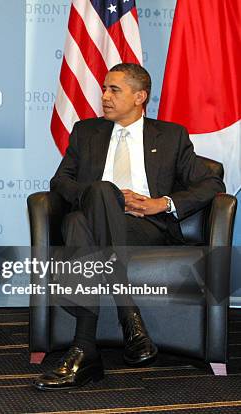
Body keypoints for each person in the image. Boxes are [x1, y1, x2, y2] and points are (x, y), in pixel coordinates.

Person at [33, 63, 225, 391]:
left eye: (113, 90)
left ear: (140, 97)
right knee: (92, 204)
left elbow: (212, 181)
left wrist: (162, 203)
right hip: (92, 219)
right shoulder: (86, 131)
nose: (104, 96)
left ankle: (86, 352)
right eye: (104, 89)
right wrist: (97, 195)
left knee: (82, 223)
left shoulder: (171, 136)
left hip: (145, 227)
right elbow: (60, 180)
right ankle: (120, 324)